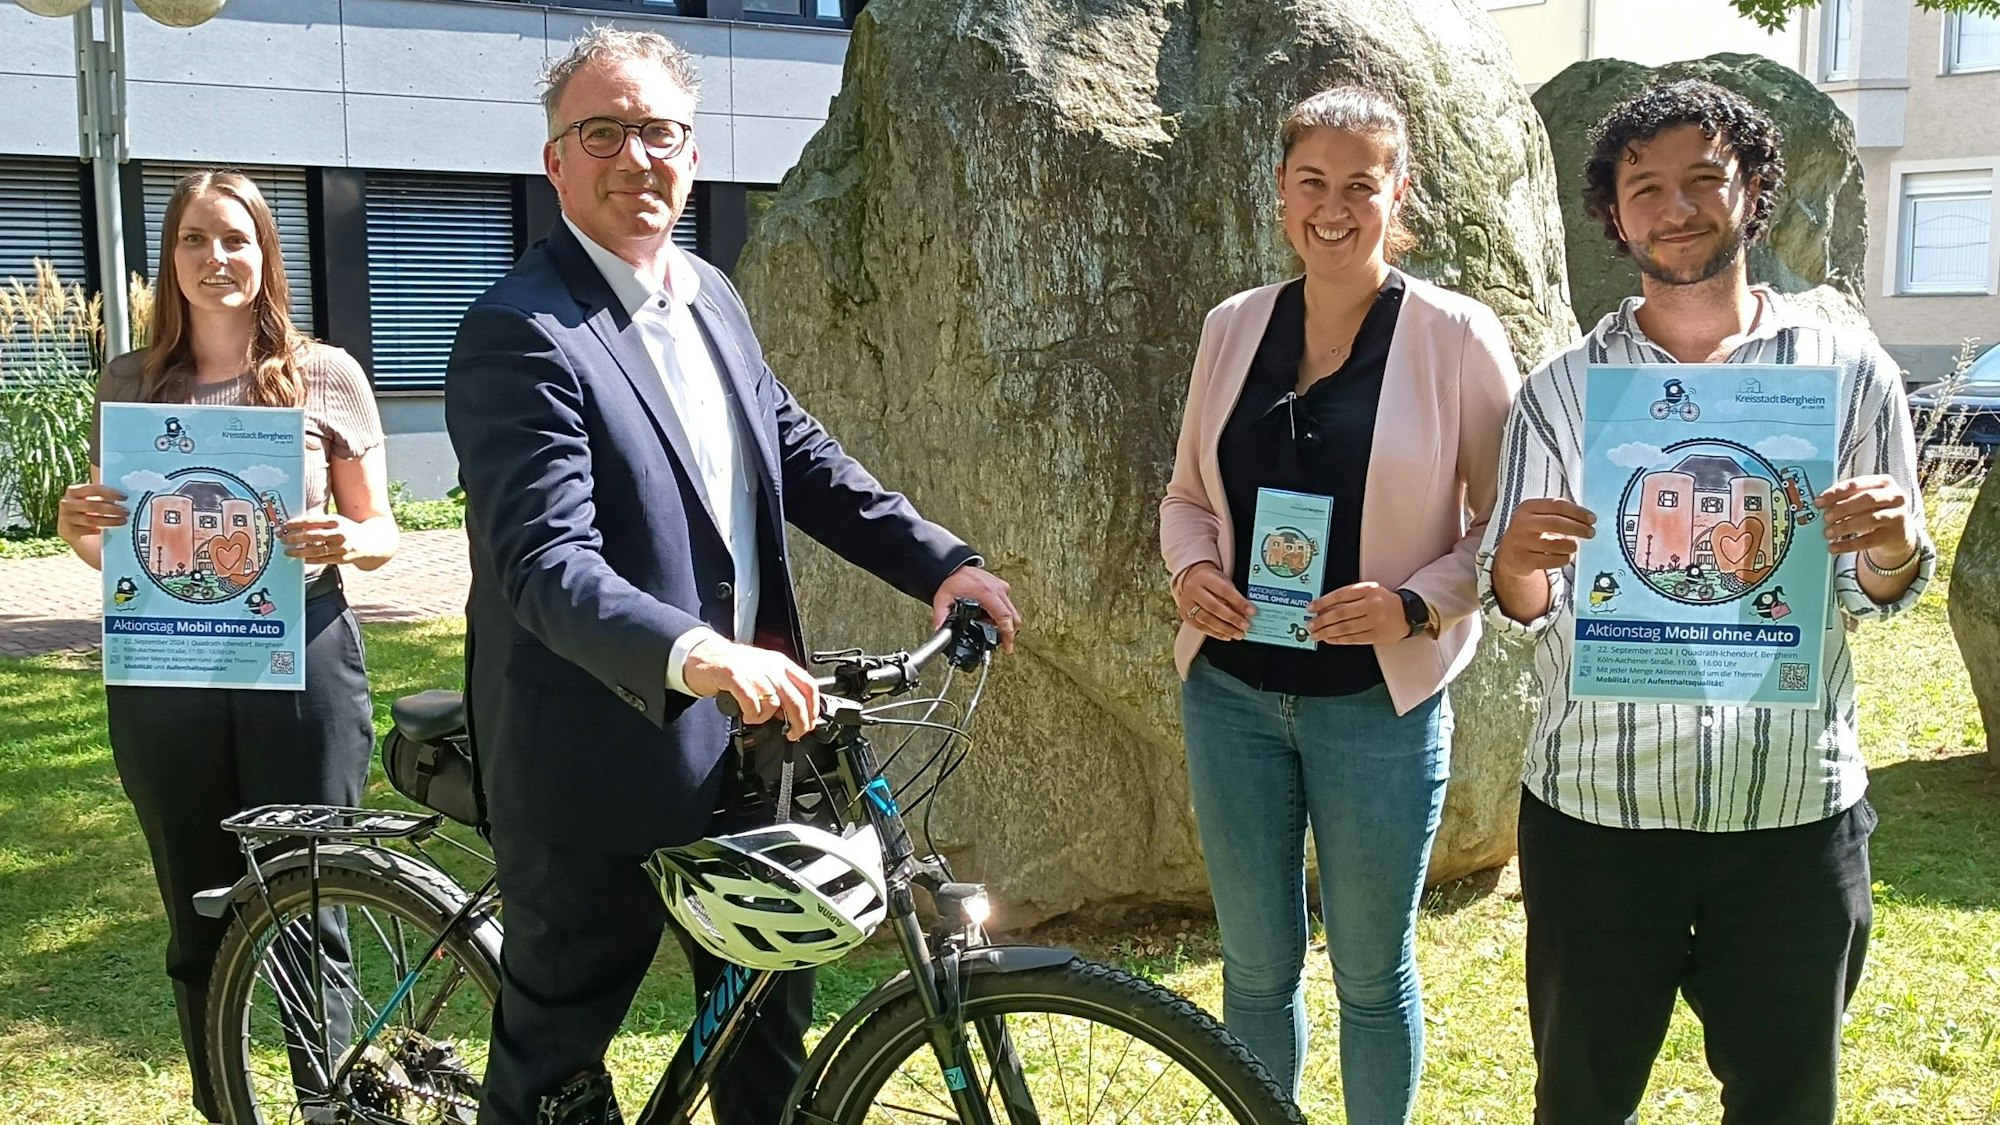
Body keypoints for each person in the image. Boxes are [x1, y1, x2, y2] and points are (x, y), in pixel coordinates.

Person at [443, 27, 1020, 1125]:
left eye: (657, 131)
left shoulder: (709, 293)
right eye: (599, 131)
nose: (633, 156)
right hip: (590, 764)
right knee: (556, 1066)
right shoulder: (520, 333)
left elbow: (797, 458)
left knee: (765, 1039)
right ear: (554, 160)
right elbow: (543, 562)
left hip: (752, 756)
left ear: (691, 154)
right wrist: (694, 652)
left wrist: (938, 562)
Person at [1477, 79, 1934, 1125]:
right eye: (1644, 187)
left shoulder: (1847, 375)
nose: (1674, 208)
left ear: (1751, 189)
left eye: (1701, 180)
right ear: (1611, 209)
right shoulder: (1561, 389)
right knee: (1580, 1100)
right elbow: (1529, 606)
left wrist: (1896, 547)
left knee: (1785, 1102)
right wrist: (1512, 565)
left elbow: (1873, 598)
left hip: (1788, 818)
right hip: (1598, 815)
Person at [1157, 86, 1519, 1123]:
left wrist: (1414, 605)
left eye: (1359, 185)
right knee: (1253, 972)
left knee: (1368, 975)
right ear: (1279, 191)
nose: (1332, 207)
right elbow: (1186, 498)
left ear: (1395, 194)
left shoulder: (1454, 334)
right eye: (1310, 181)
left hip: (1374, 708)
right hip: (1228, 696)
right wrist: (1191, 574)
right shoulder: (1232, 327)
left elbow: (1501, 525)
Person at [55, 169, 399, 1124]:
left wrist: (344, 539)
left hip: (303, 661)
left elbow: (383, 530)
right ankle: (224, 1104)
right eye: (195, 240)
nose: (216, 259)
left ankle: (332, 1111)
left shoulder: (325, 372)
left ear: (266, 253)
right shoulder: (128, 381)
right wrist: (78, 521)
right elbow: (106, 541)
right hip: (165, 672)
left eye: (236, 239)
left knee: (310, 904)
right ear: (170, 258)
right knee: (198, 916)